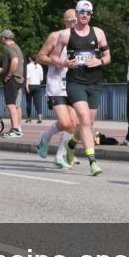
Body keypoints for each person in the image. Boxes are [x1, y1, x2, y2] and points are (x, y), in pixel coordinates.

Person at [48, 0, 110, 177]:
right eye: (82, 12)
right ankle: (93, 162)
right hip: (75, 82)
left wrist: (100, 61)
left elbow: (107, 56)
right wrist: (65, 62)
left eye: (88, 12)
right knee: (83, 118)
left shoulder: (98, 33)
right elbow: (54, 58)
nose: (85, 15)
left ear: (91, 14)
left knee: (88, 123)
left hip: (94, 82)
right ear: (76, 13)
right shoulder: (66, 35)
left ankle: (71, 145)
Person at [36, 9, 80, 169]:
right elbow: (40, 56)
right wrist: (60, 63)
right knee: (65, 122)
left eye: (77, 20)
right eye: (72, 20)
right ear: (65, 21)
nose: (75, 23)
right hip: (56, 83)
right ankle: (45, 138)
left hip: (74, 83)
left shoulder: (82, 37)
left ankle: (60, 156)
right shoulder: (56, 36)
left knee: (74, 123)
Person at [0, 30, 24, 137]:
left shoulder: (8, 48)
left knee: (10, 105)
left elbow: (15, 61)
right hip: (19, 79)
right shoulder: (17, 47)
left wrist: (8, 75)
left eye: (1, 38)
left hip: (12, 79)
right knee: (17, 105)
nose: (1, 40)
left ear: (4, 38)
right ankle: (18, 128)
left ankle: (15, 130)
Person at [25, 54, 44, 124]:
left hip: (30, 85)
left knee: (29, 102)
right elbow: (41, 79)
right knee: (38, 102)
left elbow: (27, 77)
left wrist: (27, 86)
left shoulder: (28, 66)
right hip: (38, 85)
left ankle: (29, 117)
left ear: (30, 58)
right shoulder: (39, 66)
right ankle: (39, 115)